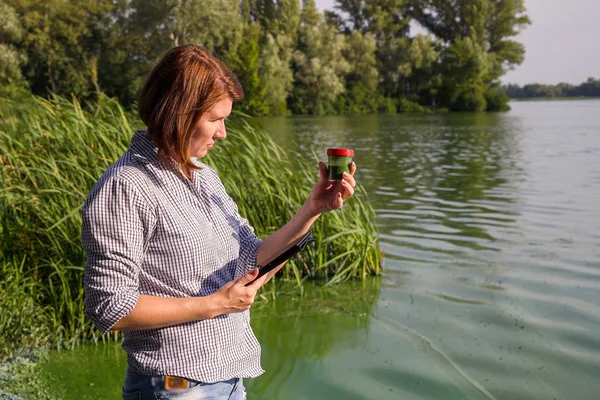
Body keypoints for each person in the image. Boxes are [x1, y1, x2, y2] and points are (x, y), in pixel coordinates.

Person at [81, 44, 356, 400]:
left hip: (229, 381)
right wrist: (214, 304)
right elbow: (110, 306)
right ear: (176, 112)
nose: (223, 133)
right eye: (215, 119)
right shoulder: (125, 187)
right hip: (174, 387)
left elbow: (252, 261)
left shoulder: (204, 177)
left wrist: (313, 209)